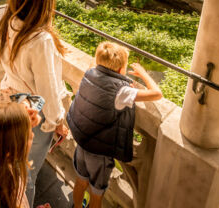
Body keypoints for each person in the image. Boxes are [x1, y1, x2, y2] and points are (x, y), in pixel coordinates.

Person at [0, 0, 69, 205]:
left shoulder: (3, 16)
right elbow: (47, 90)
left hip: (9, 103)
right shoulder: (40, 40)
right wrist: (57, 123)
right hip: (32, 115)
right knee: (27, 177)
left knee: (13, 168)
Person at [67, 42, 163, 208]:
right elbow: (157, 94)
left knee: (81, 181)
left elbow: (98, 70)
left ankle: (76, 206)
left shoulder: (90, 73)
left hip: (82, 142)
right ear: (121, 70)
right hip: (99, 152)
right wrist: (142, 74)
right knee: (97, 192)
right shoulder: (122, 91)